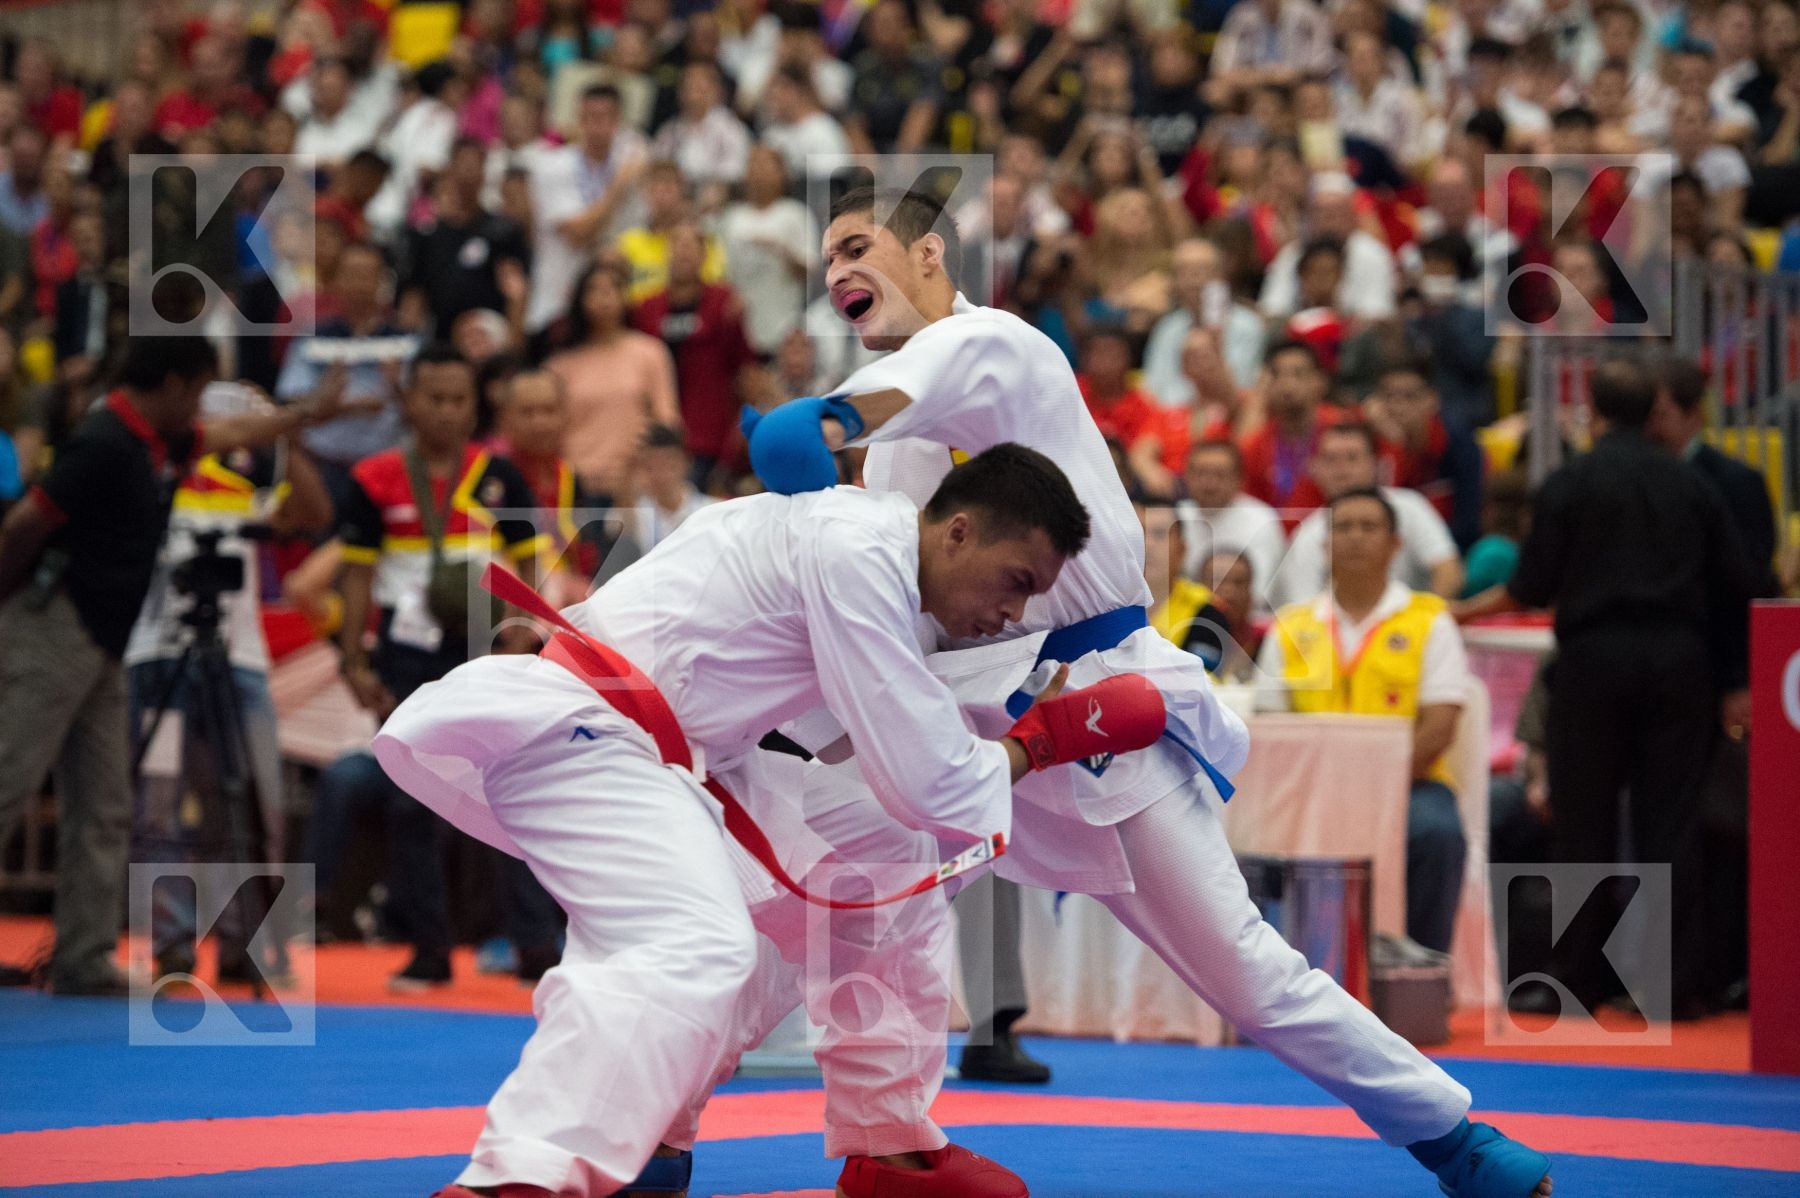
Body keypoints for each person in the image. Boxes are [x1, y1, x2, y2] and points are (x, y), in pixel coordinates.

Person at [721, 186, 1551, 1198]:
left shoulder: (996, 347)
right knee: (838, 891)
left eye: (858, 246)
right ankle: (815, 1137)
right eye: (826, 257)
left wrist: (825, 419)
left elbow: (864, 407)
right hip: (968, 713)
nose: (837, 270)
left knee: (1244, 967)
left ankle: (1453, 1138)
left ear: (930, 253)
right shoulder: (894, 445)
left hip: (1103, 702)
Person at [377, 445, 1166, 1197]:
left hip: (692, 759)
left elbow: (873, 747)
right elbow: (926, 772)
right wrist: (1050, 737)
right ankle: (523, 1173)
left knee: (887, 852)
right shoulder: (857, 553)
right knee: (693, 940)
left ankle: (885, 1142)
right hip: (591, 732)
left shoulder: (870, 561)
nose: (1012, 610)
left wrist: (1023, 724)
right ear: (959, 530)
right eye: (1016, 580)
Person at [0, 336, 343, 994]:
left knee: (104, 805)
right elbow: (23, 525)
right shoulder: (104, 442)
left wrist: (303, 415)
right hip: (58, 626)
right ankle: (112, 950)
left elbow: (241, 430)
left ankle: (83, 955)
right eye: (197, 396)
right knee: (9, 781)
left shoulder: (157, 442)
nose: (201, 415)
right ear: (178, 386)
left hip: (106, 640)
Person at [1456, 357, 1761, 1022]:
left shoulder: (1570, 482)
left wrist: (1459, 612)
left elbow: (1529, 586)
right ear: (1654, 411)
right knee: (1670, 825)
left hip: (1593, 664)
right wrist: (1735, 677)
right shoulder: (1691, 487)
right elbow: (1741, 582)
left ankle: (1572, 982)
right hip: (1681, 664)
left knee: (1582, 820)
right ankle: (1668, 987)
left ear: (1590, 411)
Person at [335, 344, 547, 990]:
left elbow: (531, 561)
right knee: (410, 803)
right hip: (408, 656)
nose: (448, 411)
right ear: (412, 401)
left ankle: (538, 946)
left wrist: (523, 632)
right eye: (435, 398)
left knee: (517, 792)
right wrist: (352, 657)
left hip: (486, 648)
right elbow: (356, 575)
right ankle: (428, 949)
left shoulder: (500, 477)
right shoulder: (375, 478)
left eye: (460, 400)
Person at [124, 383, 334, 984]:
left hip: (241, 659)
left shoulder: (248, 481)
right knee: (159, 808)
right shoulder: (151, 472)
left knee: (255, 801)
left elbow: (314, 515)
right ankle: (170, 947)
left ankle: (251, 944)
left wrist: (285, 434)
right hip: (157, 651)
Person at [1258, 487, 1471, 953]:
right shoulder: (1291, 626)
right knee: (1252, 835)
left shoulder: (1429, 620)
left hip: (1408, 785)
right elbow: (1272, 728)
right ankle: (1278, 972)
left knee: (1436, 833)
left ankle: (1422, 969)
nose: (1354, 538)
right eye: (1343, 527)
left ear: (1397, 545)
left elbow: (1439, 727)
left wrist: (1377, 788)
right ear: (1324, 544)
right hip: (1310, 789)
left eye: (1369, 527)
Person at [1270, 422, 1465, 610]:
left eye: (1352, 458)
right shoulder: (1308, 535)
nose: (1341, 469)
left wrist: (1425, 621)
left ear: (1376, 464)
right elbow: (1302, 610)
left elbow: (1448, 571)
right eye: (1331, 459)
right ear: (1316, 468)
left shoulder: (1410, 507)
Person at [546, 259, 681, 499]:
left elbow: (666, 419)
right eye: (594, 290)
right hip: (576, 485)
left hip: (635, 487)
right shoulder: (560, 365)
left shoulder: (650, 352)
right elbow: (551, 431)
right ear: (580, 299)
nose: (604, 298)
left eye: (612, 289)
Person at [1366, 355, 1487, 551]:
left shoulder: (1460, 448)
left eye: (1409, 396)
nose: (1397, 406)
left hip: (1448, 551)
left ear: (1432, 400)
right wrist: (1396, 448)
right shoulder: (1372, 444)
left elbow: (1469, 526)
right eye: (1388, 396)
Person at [1236, 338, 1346, 525]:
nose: (1287, 384)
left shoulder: (1344, 430)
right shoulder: (1254, 446)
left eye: (1298, 374)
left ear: (1320, 381)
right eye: (1278, 375)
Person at [1176, 438, 1287, 614]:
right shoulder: (1176, 517)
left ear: (1239, 479)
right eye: (1200, 473)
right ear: (1186, 476)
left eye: (1219, 474)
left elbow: (1256, 593)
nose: (1209, 483)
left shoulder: (1262, 520)